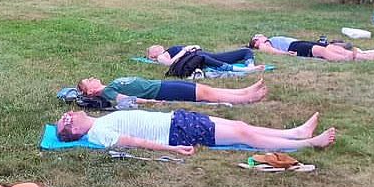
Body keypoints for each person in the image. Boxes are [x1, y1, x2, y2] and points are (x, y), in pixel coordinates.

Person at [55, 108, 336, 154]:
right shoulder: (98, 134)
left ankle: (296, 132)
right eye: (66, 120)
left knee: (240, 126)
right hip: (176, 132)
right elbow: (133, 141)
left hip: (176, 119)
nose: (69, 114)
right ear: (74, 130)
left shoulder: (99, 121)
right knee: (243, 137)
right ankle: (309, 144)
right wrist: (172, 148)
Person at [75, 75, 268, 106]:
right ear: (90, 92)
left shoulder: (109, 85)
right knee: (206, 95)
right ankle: (246, 99)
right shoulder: (107, 92)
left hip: (162, 84)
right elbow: (127, 99)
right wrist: (151, 102)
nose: (92, 78)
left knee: (205, 89)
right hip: (161, 92)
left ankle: (243, 91)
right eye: (88, 81)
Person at [250, 34, 374, 62]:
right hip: (294, 46)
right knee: (321, 51)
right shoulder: (263, 44)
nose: (261, 35)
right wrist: (286, 54)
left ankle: (367, 56)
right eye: (258, 36)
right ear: (256, 42)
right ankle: (349, 58)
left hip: (299, 42)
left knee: (331, 47)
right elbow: (271, 51)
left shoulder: (269, 39)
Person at [146, 44, 256, 71]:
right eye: (153, 48)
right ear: (152, 55)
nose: (157, 46)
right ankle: (240, 69)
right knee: (203, 57)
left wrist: (194, 47)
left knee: (246, 51)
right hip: (197, 58)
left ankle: (250, 65)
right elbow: (170, 63)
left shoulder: (167, 50)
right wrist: (184, 51)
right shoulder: (160, 57)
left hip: (201, 54)